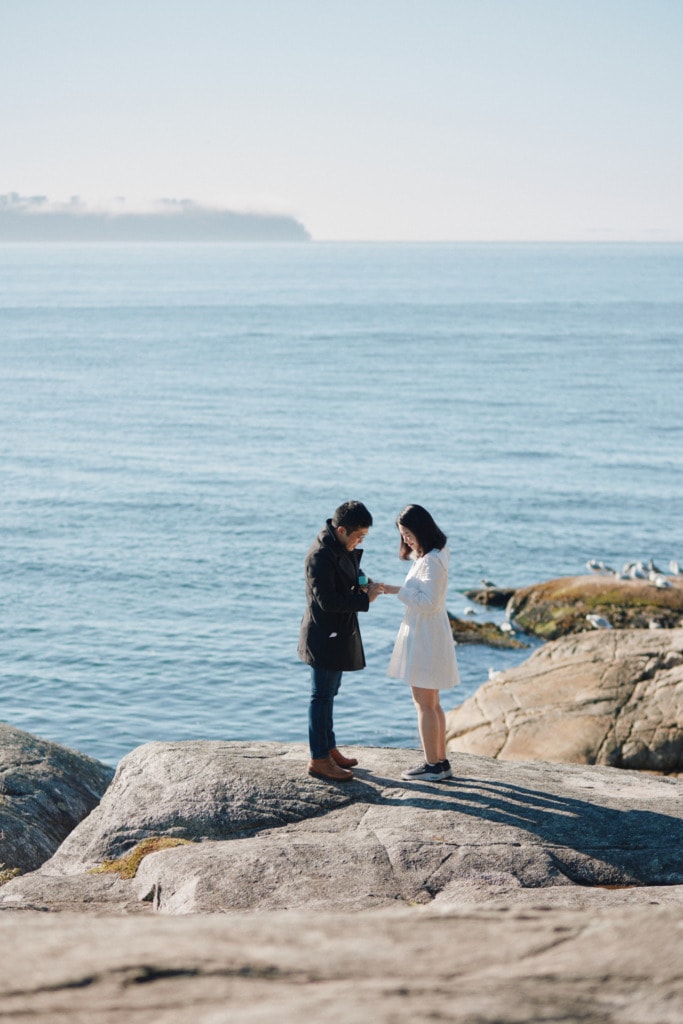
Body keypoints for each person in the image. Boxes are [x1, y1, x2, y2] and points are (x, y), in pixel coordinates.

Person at [298, 501, 382, 781]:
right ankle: (318, 758)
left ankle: (328, 747)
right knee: (320, 695)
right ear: (342, 530)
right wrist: (364, 598)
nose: (360, 541)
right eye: (358, 536)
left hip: (337, 633)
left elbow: (346, 575)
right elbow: (328, 601)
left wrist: (364, 582)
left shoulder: (339, 545)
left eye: (364, 538)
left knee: (330, 693)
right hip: (323, 634)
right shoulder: (320, 555)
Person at [383, 504, 460, 781]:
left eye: (408, 533)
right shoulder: (434, 555)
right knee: (433, 701)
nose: (405, 539)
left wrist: (396, 591)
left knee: (424, 703)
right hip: (430, 633)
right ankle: (440, 761)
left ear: (421, 529)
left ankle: (432, 765)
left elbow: (429, 602)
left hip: (427, 635)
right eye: (402, 535)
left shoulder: (430, 561)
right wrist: (397, 590)